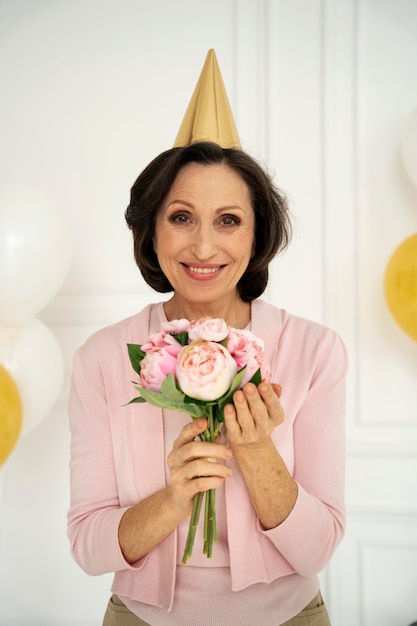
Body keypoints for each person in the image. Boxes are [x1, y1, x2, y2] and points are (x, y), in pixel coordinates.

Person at [67, 52, 347, 626]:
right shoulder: (101, 358)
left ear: (257, 232)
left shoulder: (316, 352)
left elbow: (319, 549)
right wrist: (172, 500)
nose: (202, 248)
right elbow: (87, 546)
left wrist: (255, 448)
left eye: (228, 220)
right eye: (180, 217)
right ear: (151, 229)